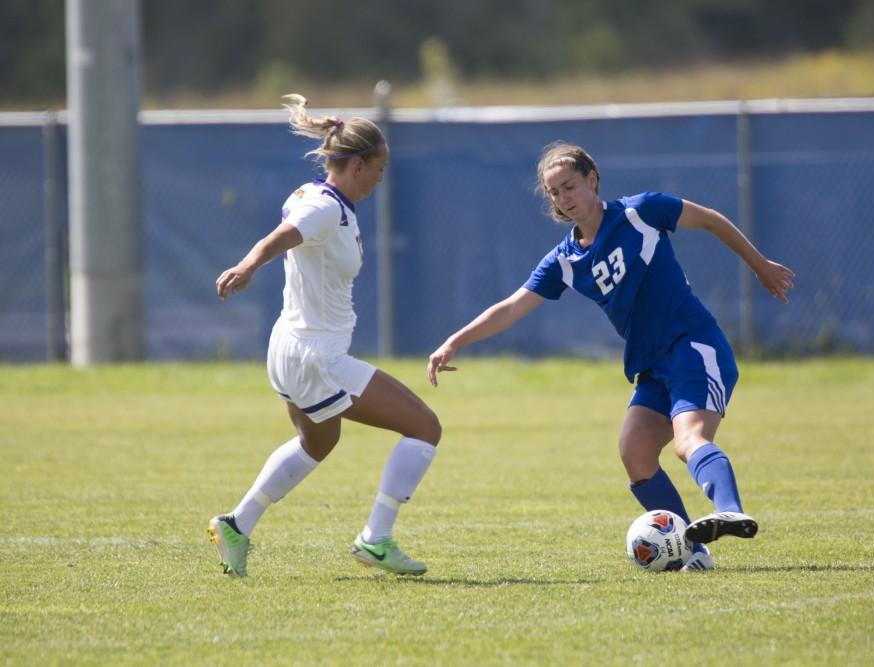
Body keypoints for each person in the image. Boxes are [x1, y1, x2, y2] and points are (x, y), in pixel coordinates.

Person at [427, 142, 794, 571]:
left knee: (688, 440)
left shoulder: (642, 212)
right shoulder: (566, 259)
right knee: (634, 453)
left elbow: (710, 220)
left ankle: (730, 510)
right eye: (556, 193)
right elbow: (511, 307)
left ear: (592, 180)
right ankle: (694, 552)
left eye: (570, 186)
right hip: (651, 366)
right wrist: (454, 341)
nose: (565, 198)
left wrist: (759, 264)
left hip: (694, 345)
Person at [209, 94, 440, 577]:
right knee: (424, 427)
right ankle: (376, 540)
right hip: (318, 354)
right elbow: (284, 236)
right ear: (356, 165)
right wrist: (248, 265)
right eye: (379, 167)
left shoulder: (311, 195)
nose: (382, 177)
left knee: (318, 443)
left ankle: (237, 523)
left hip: (288, 348)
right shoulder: (325, 208)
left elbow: (296, 223)